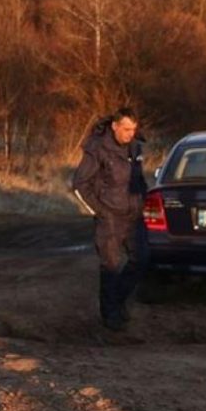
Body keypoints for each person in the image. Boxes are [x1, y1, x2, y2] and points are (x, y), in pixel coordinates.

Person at [73, 108, 148, 331]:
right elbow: (79, 184)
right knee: (111, 266)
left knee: (142, 259)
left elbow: (138, 179)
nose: (130, 134)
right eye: (126, 129)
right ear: (115, 126)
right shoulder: (97, 148)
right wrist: (100, 212)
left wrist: (143, 198)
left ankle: (118, 302)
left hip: (134, 216)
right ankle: (110, 317)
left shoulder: (136, 147)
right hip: (110, 217)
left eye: (133, 129)